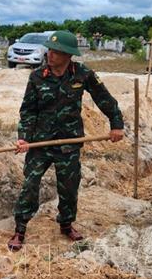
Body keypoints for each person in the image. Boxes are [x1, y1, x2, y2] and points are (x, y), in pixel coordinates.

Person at [8, 30, 124, 251]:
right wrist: (23, 138)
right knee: (30, 185)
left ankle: (66, 224)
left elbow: (104, 99)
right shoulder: (37, 76)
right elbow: (28, 111)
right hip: (40, 143)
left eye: (56, 51)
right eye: (50, 50)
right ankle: (20, 228)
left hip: (69, 142)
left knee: (69, 187)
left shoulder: (82, 74)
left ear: (68, 54)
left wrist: (116, 124)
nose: (50, 54)